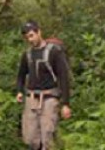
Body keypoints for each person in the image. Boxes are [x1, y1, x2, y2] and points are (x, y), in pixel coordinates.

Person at [16, 20, 71, 150]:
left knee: (47, 135)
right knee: (30, 137)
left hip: (49, 97)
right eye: (27, 37)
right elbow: (21, 74)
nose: (30, 39)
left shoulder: (54, 52)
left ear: (39, 32)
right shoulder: (27, 54)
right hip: (31, 98)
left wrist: (65, 103)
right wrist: (19, 91)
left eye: (31, 35)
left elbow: (64, 77)